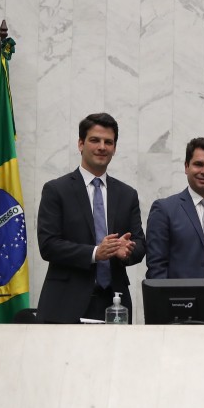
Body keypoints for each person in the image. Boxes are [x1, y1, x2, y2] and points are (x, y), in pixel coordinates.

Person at [37, 113, 145, 323]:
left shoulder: (127, 194)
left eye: (108, 142)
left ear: (114, 148)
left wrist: (127, 252)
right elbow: (48, 245)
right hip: (65, 303)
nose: (102, 147)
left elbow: (140, 244)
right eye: (95, 140)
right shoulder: (56, 190)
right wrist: (96, 252)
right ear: (80, 144)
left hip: (115, 302)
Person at [145, 138, 204, 280]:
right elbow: (156, 268)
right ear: (186, 167)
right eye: (198, 164)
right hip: (177, 301)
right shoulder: (164, 209)